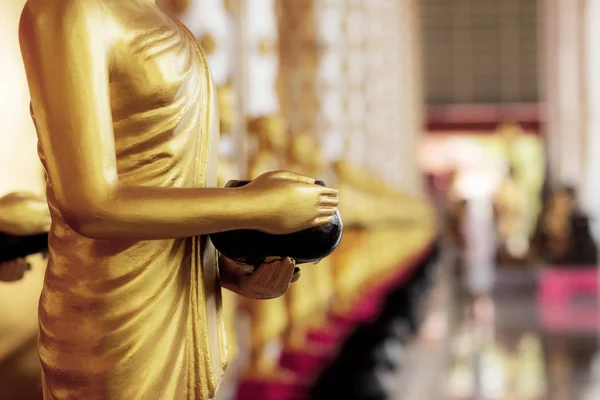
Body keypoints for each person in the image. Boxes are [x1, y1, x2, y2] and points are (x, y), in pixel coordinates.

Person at [18, 1, 339, 399]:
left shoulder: (166, 23)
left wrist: (222, 271)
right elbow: (90, 204)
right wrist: (258, 208)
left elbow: (166, 180)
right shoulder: (70, 10)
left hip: (184, 307)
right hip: (113, 314)